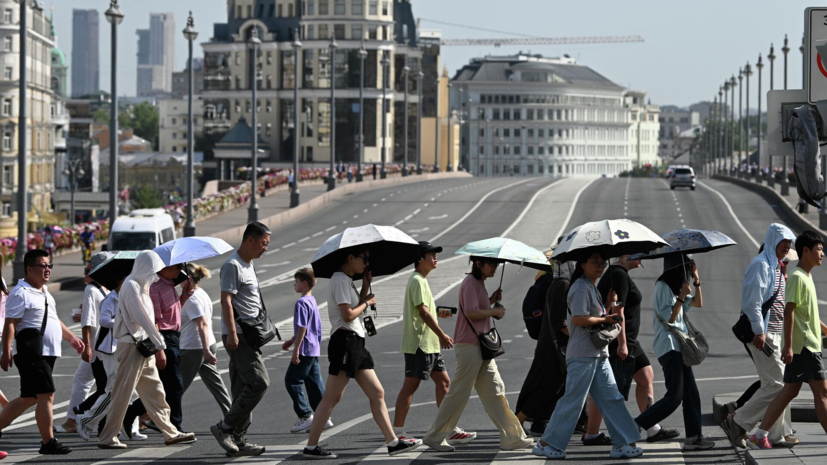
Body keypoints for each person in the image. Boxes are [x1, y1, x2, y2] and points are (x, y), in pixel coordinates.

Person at [302, 247, 421, 459]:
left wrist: (365, 286)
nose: (367, 263)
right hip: (345, 342)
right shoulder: (339, 280)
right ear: (350, 257)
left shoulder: (347, 280)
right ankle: (311, 447)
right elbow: (347, 315)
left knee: (377, 392)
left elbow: (355, 310)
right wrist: (367, 302)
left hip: (355, 342)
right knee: (331, 397)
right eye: (364, 258)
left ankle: (392, 442)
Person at [532, 251, 643, 460]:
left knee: (612, 397)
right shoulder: (581, 287)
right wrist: (607, 318)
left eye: (602, 262)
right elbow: (579, 320)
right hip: (583, 354)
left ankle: (622, 443)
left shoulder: (590, 286)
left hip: (597, 353)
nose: (600, 266)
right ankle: (547, 443)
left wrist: (608, 305)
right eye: (595, 262)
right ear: (582, 265)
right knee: (573, 399)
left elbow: (594, 318)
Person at [423, 257, 530, 453]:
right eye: (492, 264)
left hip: (480, 346)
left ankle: (512, 437)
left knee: (496, 390)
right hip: (470, 345)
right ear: (479, 264)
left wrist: (490, 301)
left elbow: (475, 307)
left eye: (497, 265)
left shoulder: (479, 283)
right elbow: (471, 313)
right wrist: (493, 311)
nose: (495, 268)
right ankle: (434, 436)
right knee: (459, 393)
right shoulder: (470, 282)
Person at [96, 250, 195, 449]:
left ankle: (170, 432)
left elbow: (148, 319)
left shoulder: (141, 287)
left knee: (156, 391)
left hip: (143, 346)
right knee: (122, 393)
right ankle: (108, 437)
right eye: (153, 270)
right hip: (133, 347)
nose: (155, 274)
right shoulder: (131, 286)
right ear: (145, 267)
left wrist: (156, 343)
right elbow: (142, 318)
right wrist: (160, 343)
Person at [747, 230, 827, 449]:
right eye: (819, 250)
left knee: (789, 391)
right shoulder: (797, 277)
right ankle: (759, 433)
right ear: (805, 251)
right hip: (804, 348)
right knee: (822, 393)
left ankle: (760, 434)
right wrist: (789, 346)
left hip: (808, 345)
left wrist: (825, 330)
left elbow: (808, 313)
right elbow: (789, 312)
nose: (822, 254)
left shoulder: (807, 276)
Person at [0, 249, 85, 454]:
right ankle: (48, 442)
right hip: (32, 352)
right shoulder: (21, 293)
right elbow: (10, 324)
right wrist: (6, 351)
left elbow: (54, 320)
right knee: (47, 394)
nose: (47, 269)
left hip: (47, 351)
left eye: (49, 265)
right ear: (29, 269)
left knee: (29, 397)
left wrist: (72, 338)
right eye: (42, 266)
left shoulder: (44, 292)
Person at [393, 242, 476, 445]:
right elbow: (422, 312)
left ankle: (449, 429)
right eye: (431, 255)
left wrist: (439, 313)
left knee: (444, 383)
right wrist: (441, 333)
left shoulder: (422, 280)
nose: (435, 258)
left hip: (429, 345)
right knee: (410, 387)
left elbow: (425, 309)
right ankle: (398, 433)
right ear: (420, 259)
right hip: (420, 344)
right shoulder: (417, 280)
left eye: (435, 255)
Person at [723, 224, 797, 448]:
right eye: (783, 241)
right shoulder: (760, 265)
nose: (787, 246)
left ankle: (777, 435)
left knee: (775, 384)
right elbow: (752, 303)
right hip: (763, 334)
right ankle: (738, 421)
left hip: (773, 333)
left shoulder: (775, 266)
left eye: (790, 243)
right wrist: (760, 331)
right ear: (772, 240)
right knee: (778, 385)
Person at [594, 255, 678, 444]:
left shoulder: (616, 273)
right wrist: (622, 343)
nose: (642, 260)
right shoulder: (619, 274)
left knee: (645, 376)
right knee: (606, 389)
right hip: (620, 340)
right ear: (625, 255)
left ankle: (652, 426)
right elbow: (618, 310)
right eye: (639, 255)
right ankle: (592, 433)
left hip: (627, 339)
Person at [634, 254, 714, 451]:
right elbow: (669, 318)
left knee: (691, 395)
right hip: (669, 346)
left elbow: (697, 303)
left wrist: (697, 280)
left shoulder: (679, 286)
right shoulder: (662, 286)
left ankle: (694, 437)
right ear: (678, 267)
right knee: (674, 397)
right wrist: (679, 297)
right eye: (687, 267)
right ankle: (636, 424)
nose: (688, 271)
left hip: (680, 347)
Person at [210, 222, 271, 457]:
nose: (265, 248)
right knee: (259, 382)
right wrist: (233, 332)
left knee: (241, 387)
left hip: (249, 334)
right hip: (239, 335)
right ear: (250, 240)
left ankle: (239, 440)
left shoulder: (249, 264)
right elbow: (226, 300)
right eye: (264, 243)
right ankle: (224, 428)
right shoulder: (232, 266)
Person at [77, 266, 147, 442]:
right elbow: (103, 321)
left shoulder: (129, 298)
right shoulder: (111, 299)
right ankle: (86, 419)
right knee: (113, 390)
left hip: (126, 346)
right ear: (118, 282)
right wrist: (123, 320)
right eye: (126, 280)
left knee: (133, 389)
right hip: (110, 348)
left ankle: (130, 428)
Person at [515, 250, 577, 438]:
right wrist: (579, 336)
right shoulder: (562, 285)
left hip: (551, 344)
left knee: (548, 386)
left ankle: (520, 423)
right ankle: (516, 423)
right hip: (555, 347)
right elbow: (560, 322)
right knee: (547, 388)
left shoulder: (559, 283)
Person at [123, 262, 190, 432]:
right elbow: (155, 322)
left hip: (174, 337)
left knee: (165, 387)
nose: (180, 271)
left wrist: (185, 295)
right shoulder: (155, 288)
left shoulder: (170, 285)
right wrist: (160, 350)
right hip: (164, 338)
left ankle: (133, 412)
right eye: (177, 267)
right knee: (174, 386)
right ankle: (175, 427)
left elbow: (172, 313)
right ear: (164, 268)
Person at [60, 253, 112, 434]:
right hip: (103, 346)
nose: (85, 274)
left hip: (98, 347)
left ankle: (79, 416)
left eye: (88, 270)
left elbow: (89, 321)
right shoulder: (105, 289)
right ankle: (75, 420)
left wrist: (87, 346)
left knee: (103, 388)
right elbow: (92, 318)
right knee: (91, 383)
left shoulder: (93, 289)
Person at [282, 268, 331, 433]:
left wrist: (296, 349)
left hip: (304, 349)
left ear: (304, 283)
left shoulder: (301, 302)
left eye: (296, 282)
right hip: (313, 348)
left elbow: (302, 327)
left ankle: (305, 415)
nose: (294, 285)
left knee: (292, 380)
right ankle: (323, 417)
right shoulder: (312, 300)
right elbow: (310, 326)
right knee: (314, 383)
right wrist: (291, 339)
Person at [180, 263, 232, 417]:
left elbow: (202, 323)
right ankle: (232, 415)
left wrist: (205, 351)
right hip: (208, 343)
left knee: (177, 386)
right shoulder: (200, 293)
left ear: (188, 278)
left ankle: (159, 420)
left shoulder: (192, 299)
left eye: (180, 277)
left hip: (194, 348)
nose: (177, 281)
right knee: (216, 384)